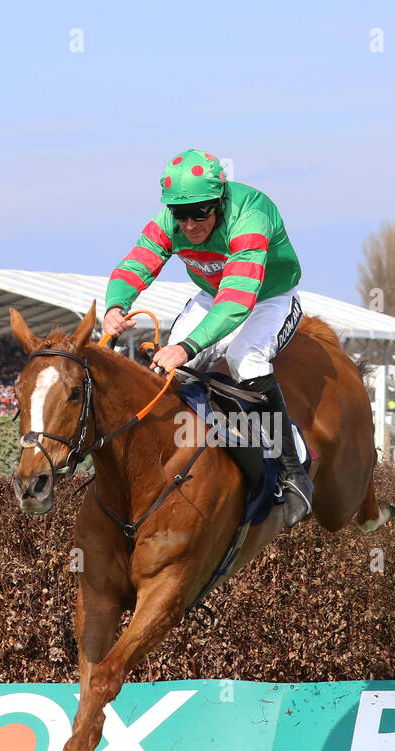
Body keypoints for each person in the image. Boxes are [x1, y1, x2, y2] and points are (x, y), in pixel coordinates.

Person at [101, 148, 313, 526]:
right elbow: (136, 262)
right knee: (168, 374)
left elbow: (237, 301)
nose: (191, 223)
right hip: (211, 295)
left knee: (244, 358)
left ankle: (293, 471)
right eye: (182, 214)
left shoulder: (251, 213)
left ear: (220, 200)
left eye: (201, 212)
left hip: (266, 296)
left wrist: (185, 347)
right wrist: (115, 306)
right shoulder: (169, 219)